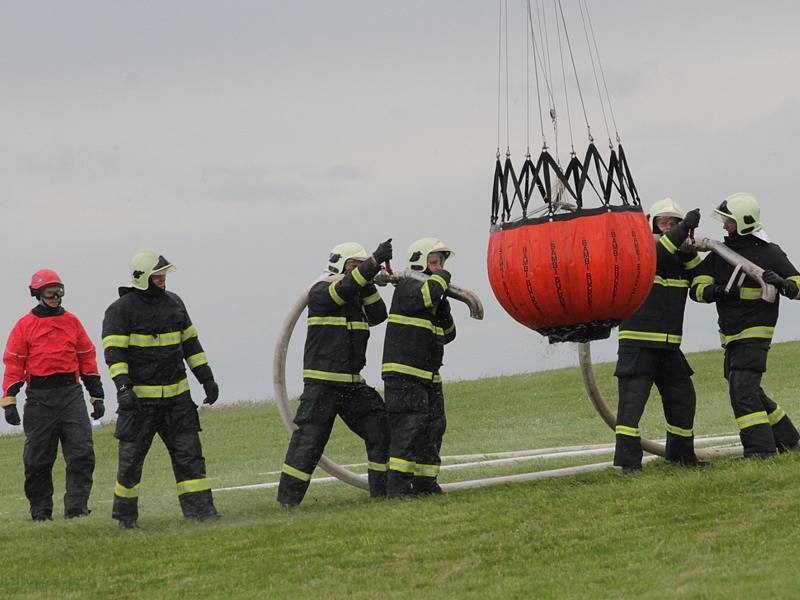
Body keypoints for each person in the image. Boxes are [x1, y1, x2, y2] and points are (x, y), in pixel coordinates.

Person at [102, 249, 221, 529]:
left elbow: (191, 345)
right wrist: (123, 388)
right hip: (139, 405)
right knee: (130, 463)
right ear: (142, 277)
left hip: (178, 401)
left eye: (164, 275)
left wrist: (207, 378)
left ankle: (201, 513)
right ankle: (126, 519)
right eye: (158, 275)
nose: (163, 280)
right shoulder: (120, 310)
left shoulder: (175, 304)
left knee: (190, 457)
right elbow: (114, 354)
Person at [277, 240, 393, 507]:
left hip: (352, 386)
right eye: (356, 265)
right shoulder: (320, 291)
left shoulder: (358, 294)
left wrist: (370, 280)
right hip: (323, 386)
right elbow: (342, 289)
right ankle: (287, 503)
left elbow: (378, 315)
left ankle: (383, 493)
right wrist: (373, 263)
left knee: (381, 430)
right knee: (308, 444)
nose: (360, 271)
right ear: (339, 266)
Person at [690, 192, 800, 458]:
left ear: (743, 222)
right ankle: (788, 438)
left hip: (755, 334)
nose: (725, 226)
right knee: (747, 388)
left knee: (742, 391)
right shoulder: (720, 254)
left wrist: (783, 284)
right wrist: (718, 291)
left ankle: (759, 451)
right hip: (731, 336)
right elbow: (697, 289)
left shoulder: (770, 253)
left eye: (729, 221)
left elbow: (798, 286)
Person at [1, 269, 104, 521]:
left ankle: (77, 509)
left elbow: (86, 357)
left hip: (71, 395)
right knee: (37, 460)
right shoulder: (25, 326)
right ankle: (40, 512)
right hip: (39, 399)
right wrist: (9, 400)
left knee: (81, 453)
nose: (56, 297)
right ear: (37, 294)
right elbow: (13, 363)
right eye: (50, 292)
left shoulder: (72, 322)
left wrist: (96, 395)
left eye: (59, 292)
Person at [614, 199, 707, 472]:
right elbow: (659, 254)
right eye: (663, 222)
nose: (668, 227)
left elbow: (700, 276)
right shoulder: (641, 249)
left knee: (683, 399)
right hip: (638, 342)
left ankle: (681, 457)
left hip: (669, 346)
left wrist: (708, 285)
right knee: (631, 407)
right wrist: (685, 228)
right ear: (650, 224)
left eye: (674, 222)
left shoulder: (680, 254)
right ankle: (628, 465)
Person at [382, 238, 456, 498]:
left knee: (433, 427)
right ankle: (398, 488)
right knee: (408, 428)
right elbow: (427, 292)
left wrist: (443, 307)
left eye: (442, 263)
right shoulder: (407, 286)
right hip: (404, 375)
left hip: (429, 376)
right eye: (435, 262)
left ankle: (426, 483)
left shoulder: (433, 296)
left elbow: (449, 334)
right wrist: (443, 279)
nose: (439, 268)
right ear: (419, 262)